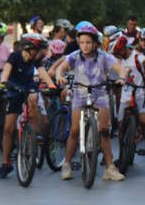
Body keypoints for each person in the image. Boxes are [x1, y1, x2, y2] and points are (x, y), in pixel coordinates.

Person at [54, 24, 126, 181]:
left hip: (100, 93)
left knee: (104, 131)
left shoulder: (103, 57)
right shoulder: (74, 56)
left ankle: (110, 168)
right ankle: (67, 164)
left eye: (88, 42)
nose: (84, 46)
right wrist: (60, 75)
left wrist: (121, 77)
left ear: (95, 43)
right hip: (80, 92)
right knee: (74, 130)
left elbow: (119, 68)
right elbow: (61, 68)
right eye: (81, 42)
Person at [0, 33, 53, 179]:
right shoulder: (15, 56)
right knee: (8, 128)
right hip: (13, 88)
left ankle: (33, 134)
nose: (40, 52)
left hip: (28, 87)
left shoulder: (36, 59)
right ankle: (5, 163)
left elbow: (42, 73)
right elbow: (6, 71)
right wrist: (3, 82)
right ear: (29, 48)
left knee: (33, 97)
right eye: (38, 49)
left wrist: (52, 85)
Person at [111, 35, 145, 159]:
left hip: (140, 93)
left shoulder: (137, 57)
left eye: (120, 53)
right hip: (126, 94)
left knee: (144, 121)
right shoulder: (119, 59)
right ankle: (122, 155)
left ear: (124, 49)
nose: (118, 56)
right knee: (120, 125)